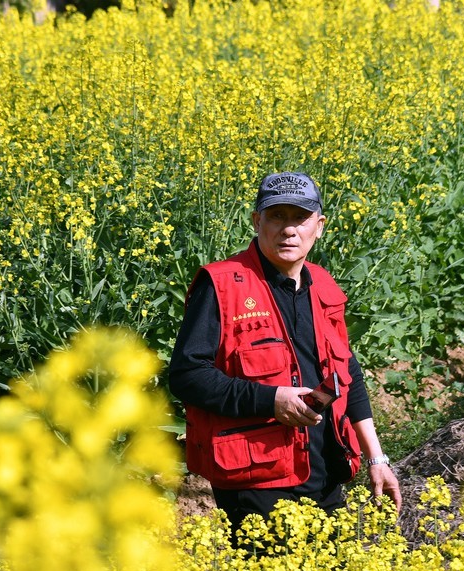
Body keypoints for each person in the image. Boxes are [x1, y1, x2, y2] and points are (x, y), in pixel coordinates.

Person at [168, 171, 402, 532]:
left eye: (300, 217)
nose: (288, 229)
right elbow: (187, 376)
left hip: (324, 471)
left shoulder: (323, 284)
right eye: (277, 216)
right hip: (256, 477)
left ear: (319, 226)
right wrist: (270, 399)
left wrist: (376, 456)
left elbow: (346, 372)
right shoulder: (221, 285)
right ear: (257, 221)